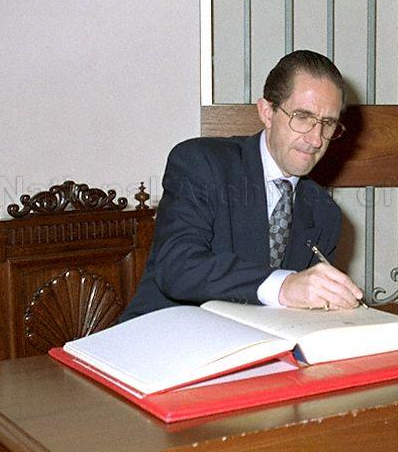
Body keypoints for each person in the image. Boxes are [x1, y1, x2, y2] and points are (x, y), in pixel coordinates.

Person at [120, 50, 363, 322]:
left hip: (256, 351)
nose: (316, 139)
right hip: (160, 340)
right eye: (302, 117)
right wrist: (284, 286)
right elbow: (178, 268)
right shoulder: (201, 163)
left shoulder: (324, 213)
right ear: (267, 112)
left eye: (327, 124)